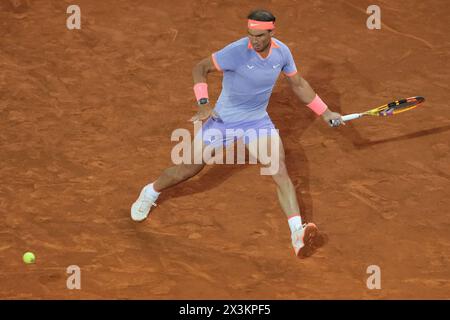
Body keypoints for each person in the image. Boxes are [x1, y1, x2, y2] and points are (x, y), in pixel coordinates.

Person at [131, 9, 344, 258]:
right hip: (223, 122)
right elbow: (199, 68)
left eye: (259, 36)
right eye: (250, 35)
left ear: (271, 32)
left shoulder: (282, 52)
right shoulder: (236, 52)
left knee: (279, 170)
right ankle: (151, 191)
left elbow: (298, 84)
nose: (253, 41)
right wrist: (202, 103)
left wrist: (325, 111)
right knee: (188, 169)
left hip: (257, 123)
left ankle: (297, 232)